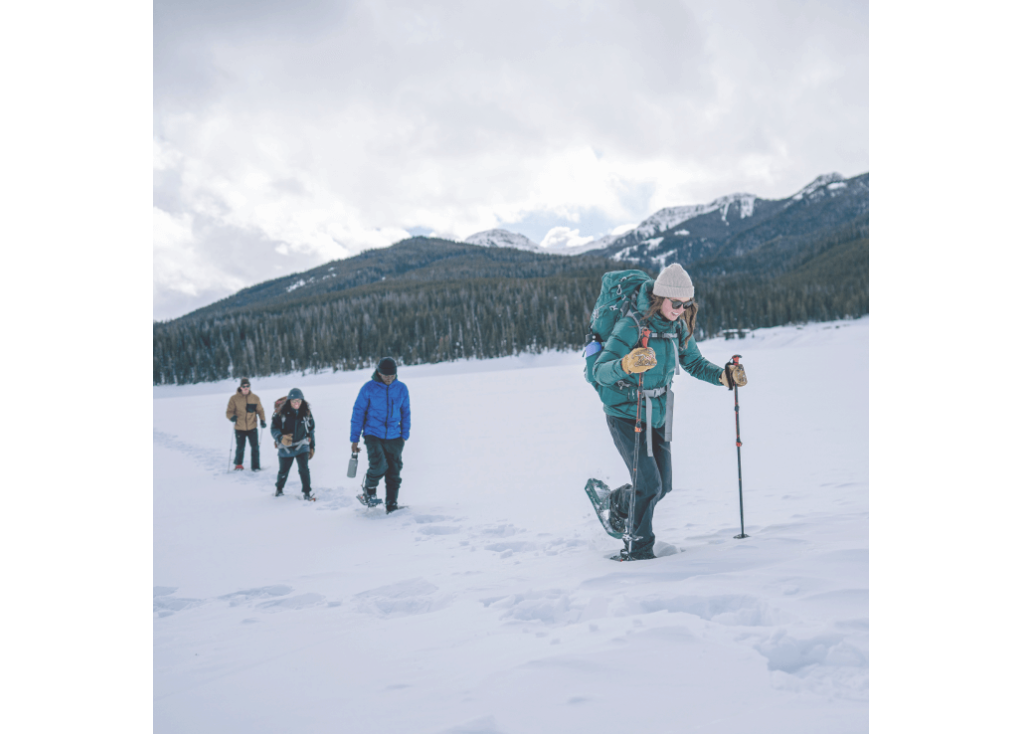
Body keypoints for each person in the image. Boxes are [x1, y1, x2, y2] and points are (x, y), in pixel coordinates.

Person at [592, 263, 748, 561]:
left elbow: (695, 363)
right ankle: (637, 550)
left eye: (686, 304)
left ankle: (618, 503)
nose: (681, 310)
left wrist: (723, 376)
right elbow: (600, 371)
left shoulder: (678, 327)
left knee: (662, 486)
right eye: (676, 303)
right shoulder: (631, 325)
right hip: (625, 412)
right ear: (659, 297)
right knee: (649, 484)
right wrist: (627, 364)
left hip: (660, 412)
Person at [350, 357, 411, 513]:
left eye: (391, 376)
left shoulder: (401, 388)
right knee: (378, 465)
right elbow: (358, 412)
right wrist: (354, 439)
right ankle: (369, 491)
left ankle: (392, 504)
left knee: (394, 470)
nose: (389, 379)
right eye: (385, 376)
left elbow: (406, 412)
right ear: (378, 373)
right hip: (373, 433)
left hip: (395, 436)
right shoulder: (368, 388)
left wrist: (404, 435)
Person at [270, 388, 316, 499]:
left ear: (302, 401)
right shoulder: (281, 413)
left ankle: (307, 492)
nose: (296, 403)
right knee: (283, 471)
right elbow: (274, 428)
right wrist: (280, 438)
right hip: (285, 447)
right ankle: (279, 490)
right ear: (289, 401)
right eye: (294, 401)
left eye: (299, 401)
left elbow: (311, 429)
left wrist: (312, 446)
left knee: (304, 470)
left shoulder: (306, 412)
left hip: (302, 445)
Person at [226, 377, 266, 471]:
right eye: (244, 386)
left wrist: (262, 420)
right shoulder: (234, 398)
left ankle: (255, 466)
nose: (246, 388)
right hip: (239, 428)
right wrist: (232, 417)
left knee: (255, 448)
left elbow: (260, 410)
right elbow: (229, 412)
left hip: (252, 427)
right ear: (240, 387)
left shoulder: (255, 398)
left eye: (247, 386)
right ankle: (238, 464)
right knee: (240, 447)